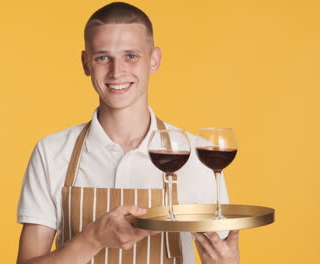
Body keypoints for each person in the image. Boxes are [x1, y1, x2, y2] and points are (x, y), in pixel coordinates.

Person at [16, 2, 240, 264]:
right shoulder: (51, 152)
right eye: (102, 57)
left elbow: (221, 257)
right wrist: (93, 238)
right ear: (85, 63)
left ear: (154, 60)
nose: (116, 71)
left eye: (130, 56)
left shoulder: (198, 156)